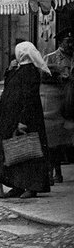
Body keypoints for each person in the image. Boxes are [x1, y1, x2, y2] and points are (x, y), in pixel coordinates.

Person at [0, 41, 52, 199]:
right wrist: (10, 70)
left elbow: (29, 99)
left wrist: (23, 120)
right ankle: (18, 185)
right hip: (13, 119)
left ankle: (32, 187)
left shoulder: (30, 71)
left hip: (26, 121)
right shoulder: (21, 70)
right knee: (15, 153)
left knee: (29, 154)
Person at [42, 28, 73, 183]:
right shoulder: (51, 58)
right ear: (60, 42)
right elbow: (43, 77)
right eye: (68, 41)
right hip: (57, 102)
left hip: (71, 102)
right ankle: (54, 172)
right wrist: (59, 76)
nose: (71, 44)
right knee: (54, 139)